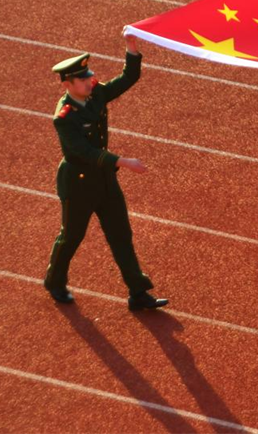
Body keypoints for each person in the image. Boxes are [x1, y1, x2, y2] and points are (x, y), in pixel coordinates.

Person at [43, 30, 168, 311]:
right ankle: (54, 280)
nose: (90, 81)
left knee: (121, 234)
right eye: (83, 79)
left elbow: (127, 79)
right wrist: (123, 161)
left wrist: (131, 48)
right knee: (71, 237)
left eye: (89, 77)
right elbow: (83, 152)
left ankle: (138, 292)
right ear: (68, 84)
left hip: (105, 180)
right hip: (78, 184)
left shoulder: (95, 93)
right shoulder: (64, 117)